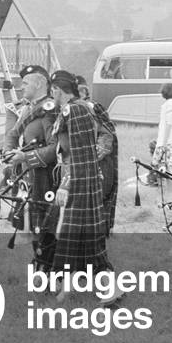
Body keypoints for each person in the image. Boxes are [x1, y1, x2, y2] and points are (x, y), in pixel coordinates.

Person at [49, 71, 113, 303]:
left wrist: (65, 185)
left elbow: (79, 153)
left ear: (58, 89)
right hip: (83, 179)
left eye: (53, 90)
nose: (52, 95)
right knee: (75, 238)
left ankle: (112, 289)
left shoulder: (74, 110)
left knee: (82, 239)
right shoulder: (78, 108)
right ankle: (69, 287)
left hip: (79, 181)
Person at [4, 66, 58, 270]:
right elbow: (12, 134)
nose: (21, 87)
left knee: (46, 224)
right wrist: (9, 152)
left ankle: (46, 268)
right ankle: (41, 266)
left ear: (39, 84)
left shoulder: (50, 109)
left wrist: (26, 157)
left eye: (26, 83)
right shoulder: (28, 109)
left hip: (46, 176)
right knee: (33, 223)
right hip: (28, 176)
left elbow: (55, 148)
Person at [76, 77, 119, 237]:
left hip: (99, 164)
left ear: (83, 92)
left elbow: (108, 132)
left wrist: (98, 150)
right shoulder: (70, 109)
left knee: (97, 201)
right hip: (79, 164)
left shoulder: (93, 108)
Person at [146, 83, 172, 187]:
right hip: (167, 140)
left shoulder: (170, 104)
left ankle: (168, 188)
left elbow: (169, 123)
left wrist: (164, 142)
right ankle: (163, 187)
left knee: (166, 167)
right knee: (163, 166)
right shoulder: (170, 103)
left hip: (169, 141)